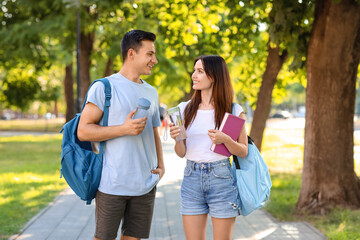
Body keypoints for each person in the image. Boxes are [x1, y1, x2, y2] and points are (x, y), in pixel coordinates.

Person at [77, 29, 165, 240]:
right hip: (112, 182)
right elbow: (83, 131)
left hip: (145, 182)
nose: (155, 59)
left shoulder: (151, 92)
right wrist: (123, 129)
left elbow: (154, 132)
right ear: (131, 54)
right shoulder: (104, 87)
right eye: (150, 54)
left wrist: (161, 166)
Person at [169, 55, 248, 240]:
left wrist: (226, 140)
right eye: (194, 70)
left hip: (221, 178)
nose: (193, 76)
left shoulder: (233, 110)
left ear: (214, 76)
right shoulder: (183, 109)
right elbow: (181, 153)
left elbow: (243, 151)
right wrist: (177, 139)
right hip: (191, 178)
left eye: (200, 71)